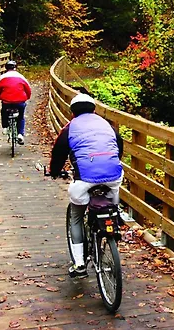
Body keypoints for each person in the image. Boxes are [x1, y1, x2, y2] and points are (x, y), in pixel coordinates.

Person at [49, 93, 124, 279]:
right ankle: (116, 217)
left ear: (72, 112)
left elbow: (58, 153)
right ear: (93, 109)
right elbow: (119, 146)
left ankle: (80, 265)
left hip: (85, 178)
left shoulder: (70, 127)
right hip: (114, 175)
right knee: (112, 200)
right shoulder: (107, 125)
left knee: (76, 215)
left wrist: (55, 172)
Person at [0, 60, 32, 145]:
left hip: (7, 102)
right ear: (15, 68)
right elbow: (28, 89)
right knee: (21, 117)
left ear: (6, 68)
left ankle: (5, 127)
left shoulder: (2, 77)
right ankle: (20, 134)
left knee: (3, 111)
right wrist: (27, 97)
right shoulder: (21, 77)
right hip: (20, 102)